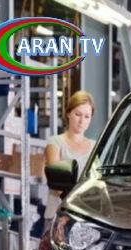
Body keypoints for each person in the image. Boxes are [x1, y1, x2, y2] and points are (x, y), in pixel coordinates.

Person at [43, 91, 96, 226]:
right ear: (68, 113)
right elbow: (57, 185)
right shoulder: (55, 143)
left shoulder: (95, 147)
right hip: (57, 218)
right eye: (77, 114)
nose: (81, 121)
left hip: (85, 219)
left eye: (87, 116)